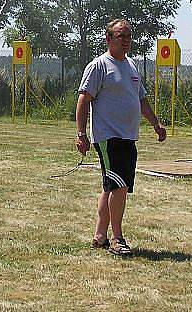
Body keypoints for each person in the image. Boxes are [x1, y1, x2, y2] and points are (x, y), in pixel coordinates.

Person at [75, 18, 167, 257]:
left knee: (112, 187)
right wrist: (81, 134)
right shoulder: (98, 66)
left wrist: (155, 123)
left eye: (128, 36)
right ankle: (117, 238)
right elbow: (84, 99)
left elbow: (141, 99)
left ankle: (100, 235)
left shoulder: (132, 66)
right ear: (108, 39)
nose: (125, 40)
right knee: (120, 186)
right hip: (108, 137)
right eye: (120, 36)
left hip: (128, 137)